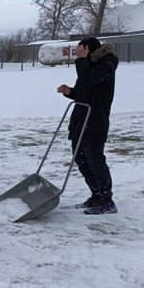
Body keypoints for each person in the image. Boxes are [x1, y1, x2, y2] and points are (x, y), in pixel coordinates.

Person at [56, 37, 119, 215]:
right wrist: (70, 91)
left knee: (95, 160)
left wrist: (81, 60)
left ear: (88, 49)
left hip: (95, 121)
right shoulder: (89, 65)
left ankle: (107, 200)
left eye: (80, 50)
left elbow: (89, 80)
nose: (77, 53)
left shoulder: (106, 65)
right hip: (80, 120)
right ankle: (97, 194)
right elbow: (84, 92)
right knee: (81, 159)